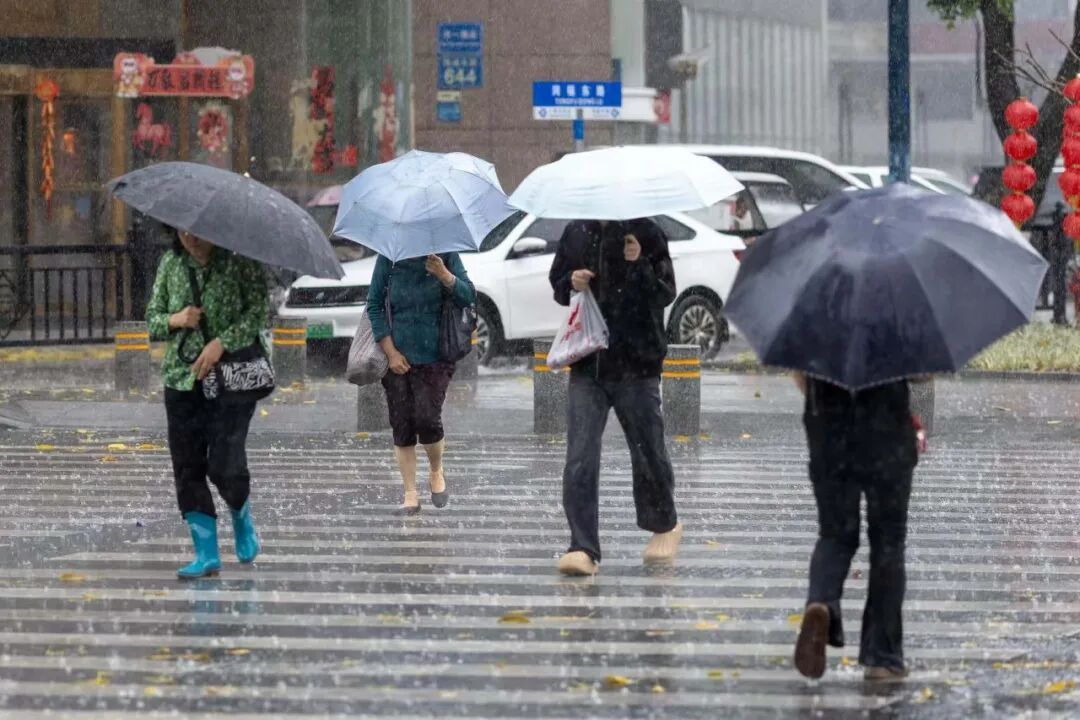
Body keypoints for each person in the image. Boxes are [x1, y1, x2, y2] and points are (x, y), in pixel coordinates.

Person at [548, 218, 683, 576]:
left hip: (637, 363)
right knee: (579, 456)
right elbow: (558, 285)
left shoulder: (648, 231)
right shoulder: (577, 231)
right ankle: (582, 546)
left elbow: (664, 293)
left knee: (648, 449)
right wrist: (571, 282)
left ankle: (665, 524)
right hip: (588, 363)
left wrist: (638, 263)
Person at [146, 228, 268, 579]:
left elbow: (258, 313)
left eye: (197, 230)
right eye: (182, 230)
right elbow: (153, 318)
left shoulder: (240, 264)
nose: (189, 236)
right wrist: (176, 319)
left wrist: (220, 343)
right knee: (187, 466)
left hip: (231, 378)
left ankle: (240, 514)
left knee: (225, 463)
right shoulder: (171, 263)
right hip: (182, 380)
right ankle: (206, 553)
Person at [792, 373, 918, 681]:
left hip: (828, 423)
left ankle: (821, 600)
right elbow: (923, 371)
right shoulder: (900, 322)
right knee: (888, 540)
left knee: (835, 533)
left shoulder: (819, 322)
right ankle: (882, 658)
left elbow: (800, 374)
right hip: (886, 425)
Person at [367, 253, 475, 514]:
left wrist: (444, 275)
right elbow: (374, 305)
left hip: (437, 354)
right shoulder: (389, 259)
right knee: (402, 423)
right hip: (397, 357)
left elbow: (468, 297)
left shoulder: (445, 254)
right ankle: (410, 494)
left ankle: (436, 470)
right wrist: (391, 352)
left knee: (427, 419)